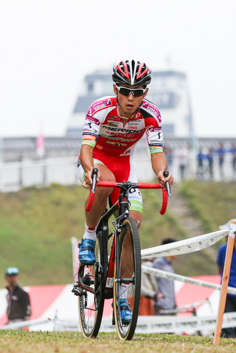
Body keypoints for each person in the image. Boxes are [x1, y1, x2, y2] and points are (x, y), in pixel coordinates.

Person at [76, 60, 173, 326]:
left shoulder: (151, 114)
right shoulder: (99, 108)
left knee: (134, 226)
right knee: (104, 181)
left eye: (138, 91)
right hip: (96, 161)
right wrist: (88, 170)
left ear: (146, 91)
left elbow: (157, 153)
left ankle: (122, 296)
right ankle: (88, 236)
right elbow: (86, 147)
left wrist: (162, 174)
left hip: (125, 166)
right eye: (125, 91)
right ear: (115, 89)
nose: (131, 97)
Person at [153, 238, 178, 315]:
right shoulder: (158, 263)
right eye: (177, 249)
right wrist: (157, 295)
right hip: (162, 306)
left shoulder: (169, 266)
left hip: (172, 305)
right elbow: (153, 280)